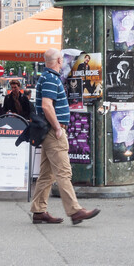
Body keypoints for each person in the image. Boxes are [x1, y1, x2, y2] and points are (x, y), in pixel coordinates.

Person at [30, 48, 100, 225]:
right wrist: (57, 128)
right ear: (59, 61)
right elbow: (47, 106)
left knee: (47, 174)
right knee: (63, 171)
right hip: (54, 131)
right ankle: (75, 211)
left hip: (48, 131)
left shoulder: (45, 77)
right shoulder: (51, 79)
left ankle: (39, 211)